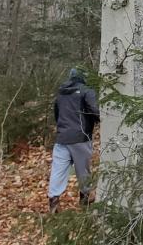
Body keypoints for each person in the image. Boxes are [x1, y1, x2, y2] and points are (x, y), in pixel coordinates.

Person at [47, 68, 99, 212]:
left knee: (58, 170)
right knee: (83, 170)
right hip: (81, 137)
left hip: (62, 137)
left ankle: (53, 199)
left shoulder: (61, 92)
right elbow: (94, 111)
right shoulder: (86, 91)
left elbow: (57, 114)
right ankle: (86, 197)